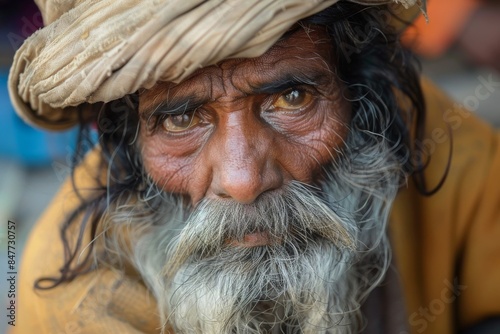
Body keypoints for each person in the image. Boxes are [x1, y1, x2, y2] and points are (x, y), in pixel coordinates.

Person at [7, 0, 500, 333]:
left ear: (361, 100)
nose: (243, 180)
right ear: (127, 140)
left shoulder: (430, 135)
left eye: (291, 97)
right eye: (182, 118)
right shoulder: (78, 309)